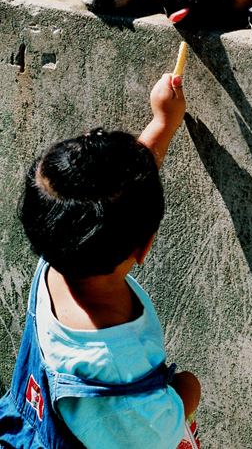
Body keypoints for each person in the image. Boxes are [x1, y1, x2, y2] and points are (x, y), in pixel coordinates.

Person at [0, 72, 201, 449]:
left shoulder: (59, 250)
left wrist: (162, 123)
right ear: (144, 248)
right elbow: (156, 436)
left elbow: (114, 204)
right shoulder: (117, 368)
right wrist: (186, 389)